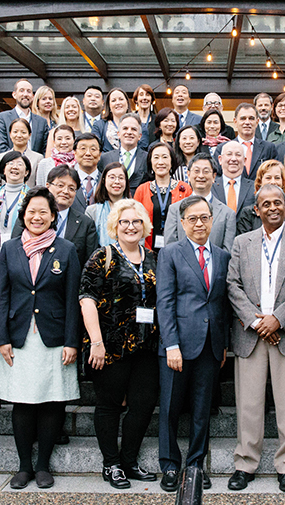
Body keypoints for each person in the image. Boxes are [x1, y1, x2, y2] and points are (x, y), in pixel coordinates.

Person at [226, 185, 285, 494]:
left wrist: (278, 319)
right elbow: (233, 284)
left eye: (277, 202)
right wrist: (257, 322)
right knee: (249, 405)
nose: (272, 208)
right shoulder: (242, 242)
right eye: (265, 204)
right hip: (251, 335)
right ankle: (245, 464)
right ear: (257, 209)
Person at [0, 186, 81, 490]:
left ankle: (43, 465)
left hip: (54, 337)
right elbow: (1, 296)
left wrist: (72, 341)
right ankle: (23, 466)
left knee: (51, 402)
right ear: (23, 215)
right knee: (23, 401)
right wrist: (1, 337)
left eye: (44, 211)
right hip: (19, 337)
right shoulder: (10, 248)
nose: (37, 216)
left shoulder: (66, 249)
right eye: (32, 211)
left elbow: (73, 299)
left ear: (53, 216)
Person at [80, 199, 161, 490]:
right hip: (110, 347)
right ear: (115, 226)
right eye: (124, 222)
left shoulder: (153, 258)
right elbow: (87, 299)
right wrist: (96, 343)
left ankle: (129, 461)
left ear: (144, 226)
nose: (130, 226)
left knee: (142, 405)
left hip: (146, 347)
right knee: (109, 405)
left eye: (136, 221)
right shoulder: (103, 257)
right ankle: (111, 464)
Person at [156, 195, 231, 492]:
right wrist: (170, 344)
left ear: (212, 220)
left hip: (211, 345)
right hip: (177, 346)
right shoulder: (171, 253)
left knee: (202, 410)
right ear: (182, 222)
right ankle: (170, 465)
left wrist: (223, 342)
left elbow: (223, 304)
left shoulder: (223, 256)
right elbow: (165, 302)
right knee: (170, 408)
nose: (199, 223)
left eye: (204, 217)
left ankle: (196, 464)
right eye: (193, 219)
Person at [164, 153, 236, 251]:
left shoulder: (227, 214)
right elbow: (169, 249)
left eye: (206, 171)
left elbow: (228, 253)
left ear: (214, 177)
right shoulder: (175, 210)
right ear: (188, 175)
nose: (201, 176)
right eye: (196, 171)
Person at [133, 141, 193, 251]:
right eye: (156, 157)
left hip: (179, 249)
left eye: (165, 157)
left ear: (172, 161)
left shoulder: (185, 189)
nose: (160, 162)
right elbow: (135, 222)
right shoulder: (142, 190)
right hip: (147, 250)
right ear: (150, 162)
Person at [235, 160, 285, 234]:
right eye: (268, 178)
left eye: (277, 178)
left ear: (283, 182)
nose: (273, 182)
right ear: (260, 182)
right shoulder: (248, 213)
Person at [98, 114, 149, 195]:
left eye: (134, 129)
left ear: (140, 136)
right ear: (118, 134)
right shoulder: (105, 158)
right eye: (125, 128)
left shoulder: (147, 158)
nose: (129, 132)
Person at [0, 79, 49, 155]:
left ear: (33, 96)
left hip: (36, 164)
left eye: (29, 91)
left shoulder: (41, 122)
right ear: (14, 94)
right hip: (11, 164)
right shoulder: (3, 118)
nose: (25, 94)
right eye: (21, 90)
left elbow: (45, 149)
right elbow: (1, 147)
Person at [0, 152, 33, 244]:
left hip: (22, 244)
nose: (15, 167)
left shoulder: (32, 198)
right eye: (10, 163)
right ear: (4, 170)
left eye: (19, 164)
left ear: (26, 172)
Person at [0, 118, 44, 188]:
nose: (19, 135)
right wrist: (2, 195)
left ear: (29, 135)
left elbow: (39, 183)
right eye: (15, 132)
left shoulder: (38, 158)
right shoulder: (1, 157)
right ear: (10, 134)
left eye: (23, 132)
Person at [85, 162, 129, 247]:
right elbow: (89, 244)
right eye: (112, 177)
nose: (117, 181)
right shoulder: (92, 211)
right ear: (104, 180)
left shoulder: (136, 209)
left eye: (121, 178)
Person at [233, 103, 279, 179]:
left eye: (251, 118)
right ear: (235, 122)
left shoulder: (269, 148)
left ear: (257, 122)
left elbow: (276, 175)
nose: (247, 122)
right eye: (243, 118)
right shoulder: (224, 148)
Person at [212, 140, 256, 214]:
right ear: (220, 159)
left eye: (238, 155)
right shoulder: (210, 187)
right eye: (229, 154)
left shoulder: (254, 188)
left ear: (245, 160)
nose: (233, 159)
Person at [71, 132, 103, 210]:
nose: (88, 153)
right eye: (83, 149)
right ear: (75, 153)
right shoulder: (68, 180)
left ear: (99, 154)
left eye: (93, 149)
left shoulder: (106, 181)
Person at [97, 88, 132, 152]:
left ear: (127, 103)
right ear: (109, 106)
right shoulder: (99, 126)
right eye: (113, 100)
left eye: (121, 99)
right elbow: (95, 148)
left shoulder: (139, 124)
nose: (118, 103)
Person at [132, 84, 156, 151]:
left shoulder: (157, 121)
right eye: (141, 95)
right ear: (136, 100)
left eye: (147, 95)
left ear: (151, 100)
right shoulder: (130, 119)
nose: (144, 98)